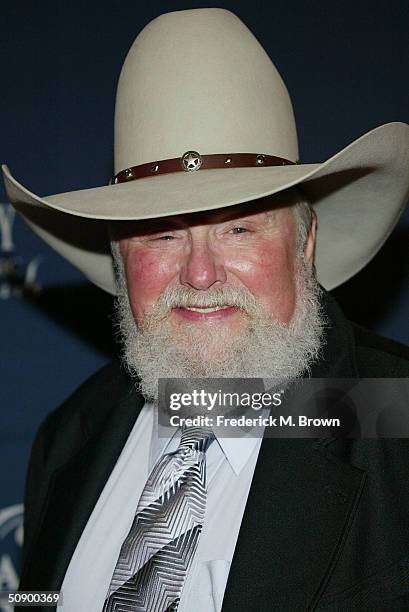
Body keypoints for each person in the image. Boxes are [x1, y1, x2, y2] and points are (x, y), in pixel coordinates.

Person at [3, 7, 409, 611]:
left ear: (306, 243)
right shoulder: (70, 436)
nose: (199, 274)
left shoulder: (397, 423)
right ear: (118, 261)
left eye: (240, 229)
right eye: (161, 235)